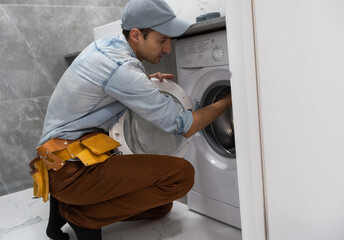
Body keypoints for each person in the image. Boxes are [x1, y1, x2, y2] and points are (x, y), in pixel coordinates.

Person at [32, 0, 232, 239]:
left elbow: (112, 81)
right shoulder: (122, 69)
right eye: (162, 40)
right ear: (136, 35)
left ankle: (62, 210)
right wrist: (228, 100)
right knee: (180, 176)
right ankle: (80, 216)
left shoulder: (105, 49)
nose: (168, 48)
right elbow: (183, 126)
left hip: (60, 160)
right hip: (73, 173)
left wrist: (141, 80)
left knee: (161, 207)